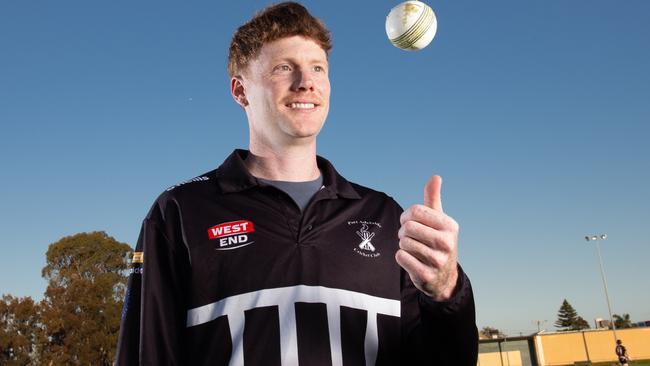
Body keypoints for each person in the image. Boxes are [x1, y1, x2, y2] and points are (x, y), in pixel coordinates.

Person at [115, 2, 478, 365]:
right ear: (240, 91)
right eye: (284, 68)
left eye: (317, 68)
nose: (306, 82)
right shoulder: (180, 211)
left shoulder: (384, 217)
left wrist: (447, 293)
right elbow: (146, 355)